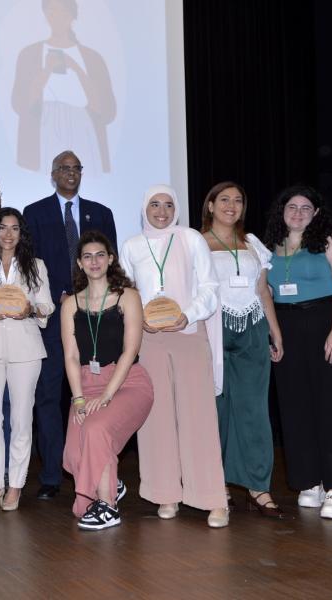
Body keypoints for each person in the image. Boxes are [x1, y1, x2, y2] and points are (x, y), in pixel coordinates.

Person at [119, 184, 229, 528]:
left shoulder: (191, 238)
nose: (162, 211)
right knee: (156, 418)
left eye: (168, 204)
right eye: (154, 204)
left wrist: (188, 314)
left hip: (188, 333)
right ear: (144, 208)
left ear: (176, 208)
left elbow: (210, 287)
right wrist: (140, 322)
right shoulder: (132, 245)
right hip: (150, 340)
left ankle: (212, 498)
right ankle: (165, 493)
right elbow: (126, 291)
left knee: (199, 417)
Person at [263, 184, 332, 519]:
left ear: (316, 213)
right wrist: (275, 334)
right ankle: (311, 482)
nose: (297, 213)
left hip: (326, 323)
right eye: (291, 206)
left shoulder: (331, 242)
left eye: (305, 207)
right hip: (289, 329)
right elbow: (264, 291)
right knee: (296, 406)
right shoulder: (271, 247)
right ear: (282, 211)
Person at [23, 150, 116, 500]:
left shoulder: (101, 214)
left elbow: (112, 262)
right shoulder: (34, 213)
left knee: (94, 396)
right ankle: (50, 476)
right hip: (50, 323)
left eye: (76, 168)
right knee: (48, 397)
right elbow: (30, 266)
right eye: (64, 168)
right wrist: (54, 297)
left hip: (95, 320)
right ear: (52, 174)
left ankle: (94, 472)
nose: (70, 173)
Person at [201, 182, 285, 518]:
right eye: (224, 200)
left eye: (238, 200)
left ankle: (258, 487)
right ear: (210, 206)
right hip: (213, 331)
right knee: (216, 412)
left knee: (254, 411)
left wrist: (275, 333)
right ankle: (217, 484)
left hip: (253, 329)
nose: (231, 206)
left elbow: (263, 291)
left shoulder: (252, 243)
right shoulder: (196, 243)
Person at [62, 230, 153, 530]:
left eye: (100, 254)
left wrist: (108, 396)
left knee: (97, 428)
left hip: (127, 383)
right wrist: (78, 399)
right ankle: (109, 484)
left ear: (111, 258)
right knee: (75, 451)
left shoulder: (129, 296)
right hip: (86, 385)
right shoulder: (71, 304)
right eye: (87, 256)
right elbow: (72, 357)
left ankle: (108, 507)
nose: (94, 261)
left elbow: (130, 351)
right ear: (80, 262)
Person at [0, 208, 54, 511]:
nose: (8, 234)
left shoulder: (35, 265)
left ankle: (16, 486)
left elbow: (46, 305)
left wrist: (30, 310)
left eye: (15, 228)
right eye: (2, 228)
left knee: (21, 419)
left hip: (26, 349)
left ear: (22, 233)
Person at [11, 0, 116, 173]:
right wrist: (47, 69)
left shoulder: (92, 57)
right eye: (51, 10)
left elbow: (106, 110)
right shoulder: (29, 54)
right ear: (45, 14)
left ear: (72, 15)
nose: (57, 16)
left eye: (62, 11)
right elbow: (21, 103)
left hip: (82, 129)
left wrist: (76, 68)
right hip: (44, 130)